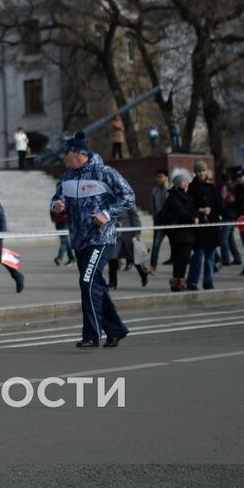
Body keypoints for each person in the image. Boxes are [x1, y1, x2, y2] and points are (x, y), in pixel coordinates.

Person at [50, 131, 134, 347]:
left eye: (65, 153)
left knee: (87, 281)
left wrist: (106, 215)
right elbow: (56, 201)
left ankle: (91, 335)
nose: (63, 157)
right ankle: (116, 329)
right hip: (79, 239)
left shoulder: (104, 173)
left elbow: (128, 196)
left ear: (78, 153)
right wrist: (57, 206)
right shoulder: (68, 177)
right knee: (94, 283)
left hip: (100, 238)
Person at [158, 168, 199, 291]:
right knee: (182, 258)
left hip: (187, 233)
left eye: (186, 181)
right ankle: (178, 282)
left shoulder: (186, 195)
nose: (185, 183)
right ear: (177, 183)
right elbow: (181, 212)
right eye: (182, 181)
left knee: (182, 259)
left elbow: (192, 209)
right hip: (179, 233)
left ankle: (178, 282)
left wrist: (196, 215)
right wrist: (193, 219)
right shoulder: (173, 196)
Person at [185, 161, 220, 291]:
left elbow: (218, 205)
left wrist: (212, 212)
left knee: (211, 255)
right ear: (195, 172)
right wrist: (199, 210)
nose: (202, 173)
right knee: (198, 255)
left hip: (211, 226)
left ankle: (208, 281)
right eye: (199, 171)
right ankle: (192, 282)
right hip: (199, 226)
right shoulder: (191, 187)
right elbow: (188, 206)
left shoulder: (211, 187)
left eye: (204, 171)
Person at [148, 169, 170, 272]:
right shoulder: (154, 190)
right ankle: (153, 266)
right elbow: (153, 207)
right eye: (158, 177)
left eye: (161, 177)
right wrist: (154, 219)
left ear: (166, 178)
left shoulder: (170, 189)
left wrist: (166, 188)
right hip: (159, 222)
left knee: (175, 243)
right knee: (156, 244)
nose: (159, 179)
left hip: (170, 222)